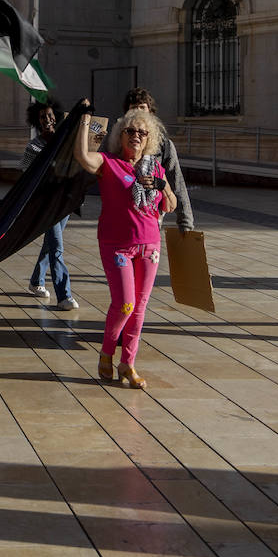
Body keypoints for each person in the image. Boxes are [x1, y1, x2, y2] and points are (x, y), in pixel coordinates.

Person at [72, 100, 175, 389]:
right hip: (117, 244)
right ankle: (107, 351)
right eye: (130, 131)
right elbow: (82, 155)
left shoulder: (155, 168)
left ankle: (128, 364)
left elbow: (172, 202)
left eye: (142, 133)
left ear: (149, 138)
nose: (136, 136)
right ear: (121, 135)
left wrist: (161, 187)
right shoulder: (109, 163)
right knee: (125, 303)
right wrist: (84, 119)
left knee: (140, 307)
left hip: (150, 246)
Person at [21, 99, 77, 310]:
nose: (47, 120)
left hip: (64, 202)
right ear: (37, 121)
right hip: (46, 204)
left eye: (50, 116)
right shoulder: (33, 146)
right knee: (57, 248)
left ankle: (36, 282)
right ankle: (64, 296)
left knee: (50, 245)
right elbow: (25, 174)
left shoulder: (64, 142)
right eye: (43, 117)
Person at [123, 88, 194, 233]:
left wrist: (185, 224)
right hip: (122, 214)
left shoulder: (164, 145)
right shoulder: (116, 141)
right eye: (133, 108)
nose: (138, 112)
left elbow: (177, 183)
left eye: (142, 107)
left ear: (150, 112)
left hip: (151, 216)